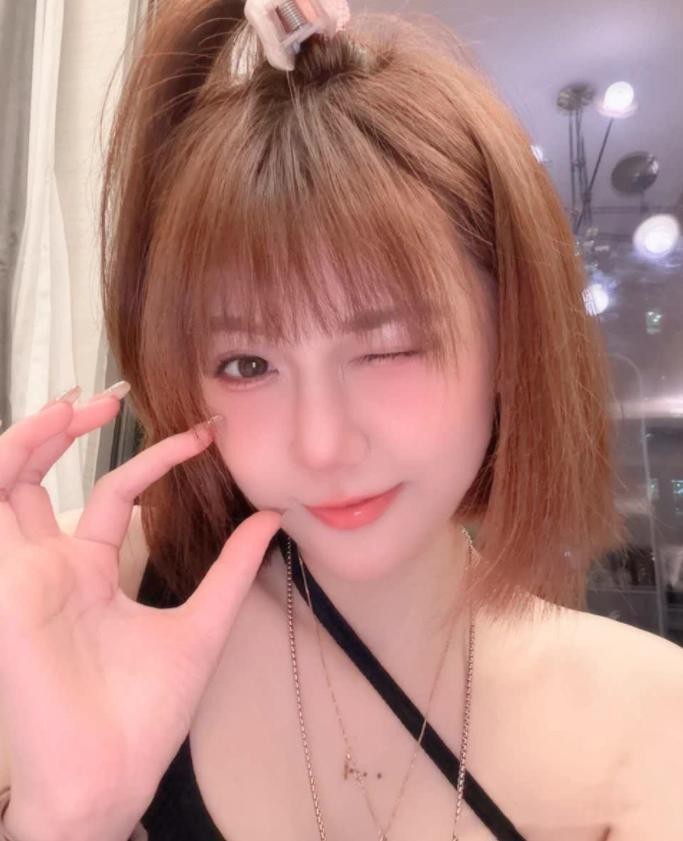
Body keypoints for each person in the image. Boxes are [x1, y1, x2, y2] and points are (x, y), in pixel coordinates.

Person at [0, 1, 682, 839]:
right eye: (247, 364)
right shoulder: (84, 606)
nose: (320, 444)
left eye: (387, 348)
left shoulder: (649, 723)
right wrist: (64, 817)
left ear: (510, 341)